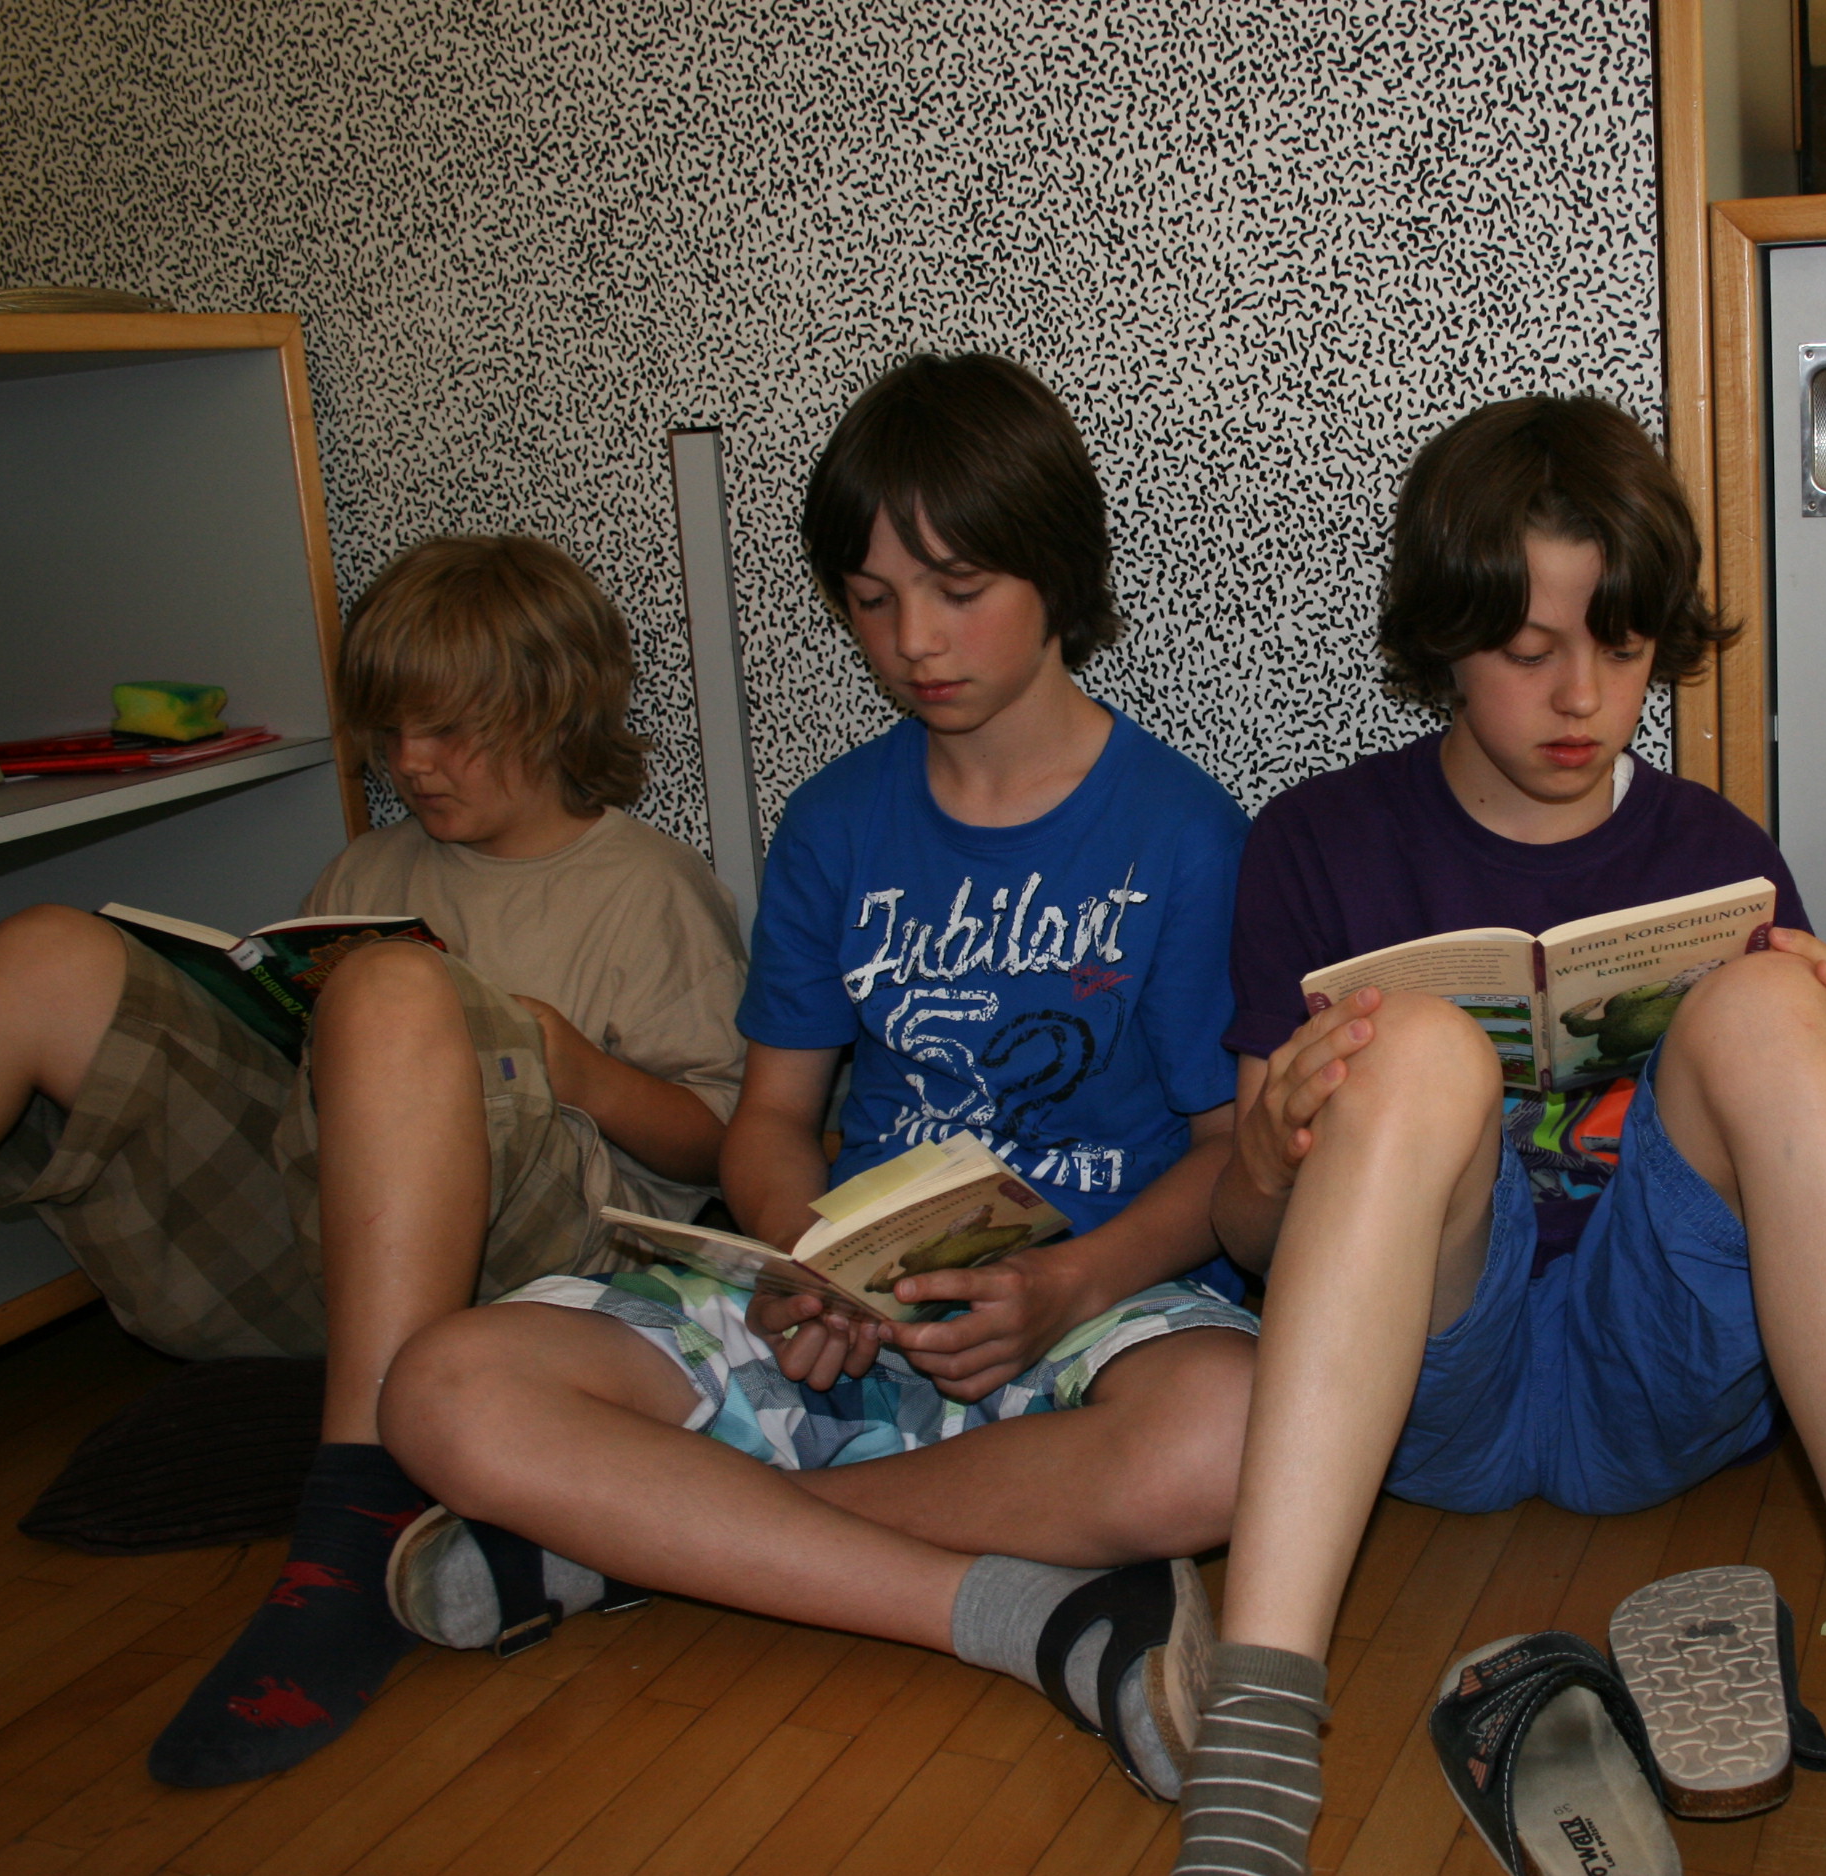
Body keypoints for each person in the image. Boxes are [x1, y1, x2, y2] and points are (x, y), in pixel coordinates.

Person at [380, 353, 1259, 1801]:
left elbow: (1229, 1154)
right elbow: (774, 1117)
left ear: (1057, 568)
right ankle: (1014, 1606)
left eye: (959, 587)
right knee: (442, 1387)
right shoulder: (836, 823)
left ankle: (649, 1535)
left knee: (1228, 1434)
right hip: (842, 1308)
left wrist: (1069, 1285)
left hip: (1092, 1305)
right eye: (869, 599)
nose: (913, 639)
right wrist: (803, 1256)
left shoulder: (1182, 832)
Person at [1169, 396, 1826, 1876]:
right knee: (1413, 1043)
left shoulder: (1715, 854)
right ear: (1445, 640)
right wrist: (1265, 1154)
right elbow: (1244, 1240)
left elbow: (1792, 1211)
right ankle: (1253, 1773)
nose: (1581, 698)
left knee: (1777, 1009)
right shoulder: (1315, 844)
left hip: (1658, 1372)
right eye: (1527, 649)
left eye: (1619, 648)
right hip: (1425, 1382)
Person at [0, 534, 750, 1784]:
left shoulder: (645, 884)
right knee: (41, 953)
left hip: (536, 1270)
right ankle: (361, 1435)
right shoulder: (370, 866)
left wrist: (578, 1068)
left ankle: (353, 1530)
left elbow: (721, 1147)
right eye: (389, 731)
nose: (409, 762)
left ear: (555, 711)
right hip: (327, 1246)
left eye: (447, 730)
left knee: (393, 986)